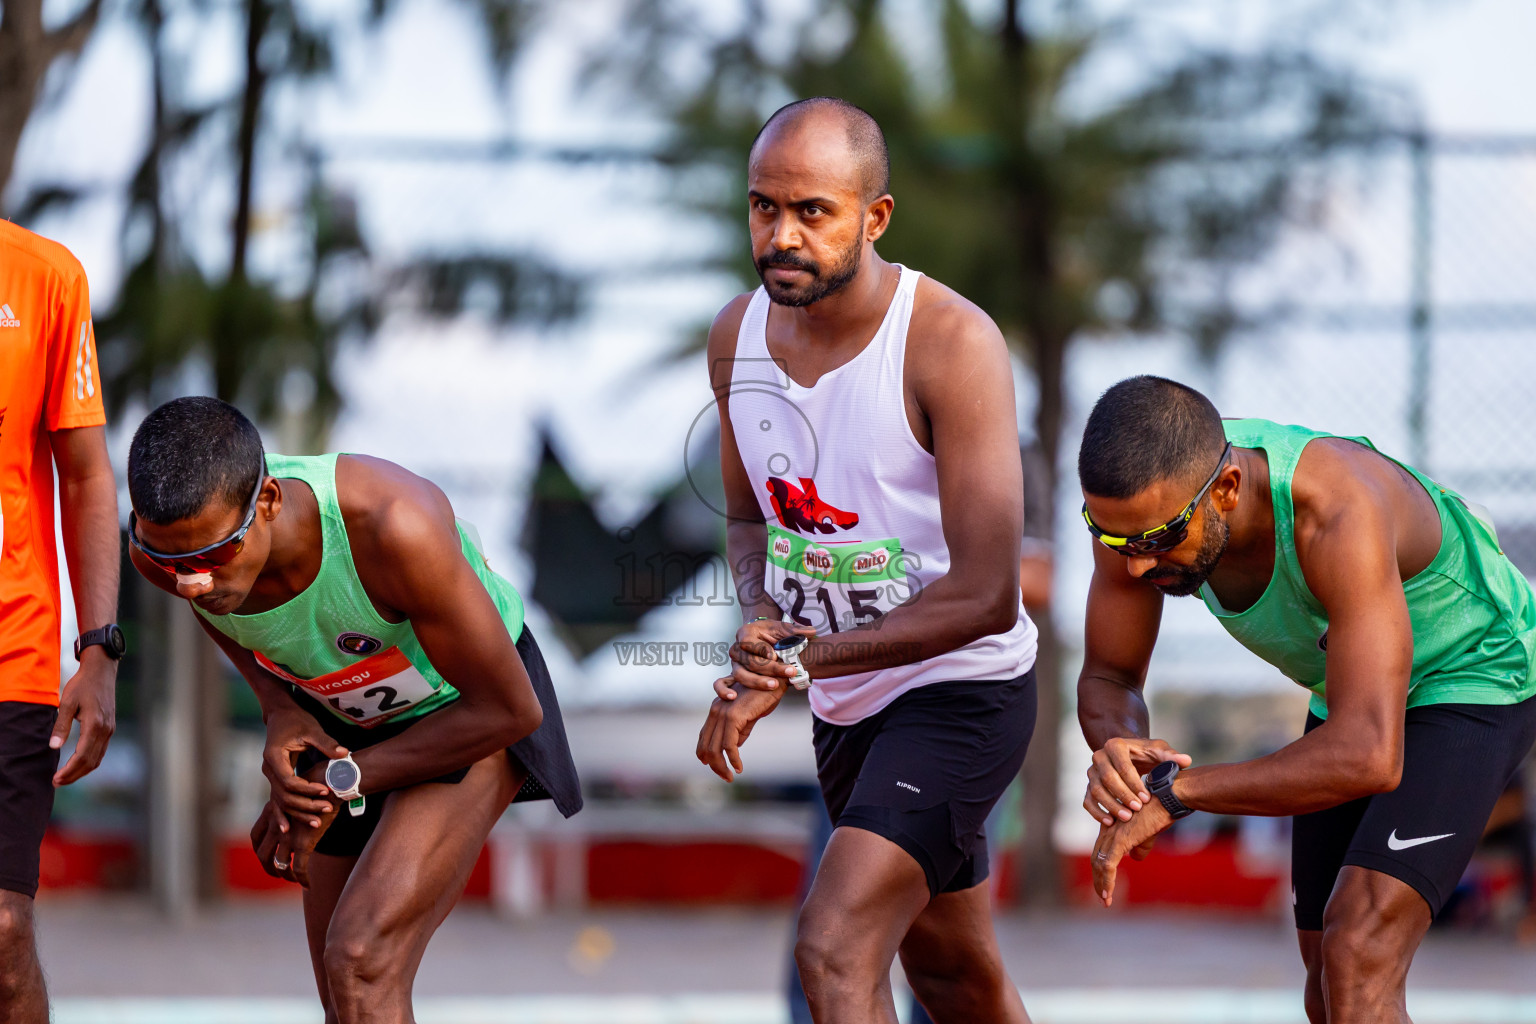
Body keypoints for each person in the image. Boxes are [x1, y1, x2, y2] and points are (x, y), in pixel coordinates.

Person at [696, 97, 1038, 1024]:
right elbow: (748, 517)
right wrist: (762, 628)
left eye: (813, 211)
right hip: (848, 707)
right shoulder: (736, 337)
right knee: (954, 977)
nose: (782, 235)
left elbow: (987, 595)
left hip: (962, 691)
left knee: (834, 945)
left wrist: (801, 661)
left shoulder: (950, 342)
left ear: (875, 217)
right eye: (765, 207)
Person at [1076, 375, 1536, 1024]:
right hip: (1351, 687)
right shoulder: (1141, 513)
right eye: (1113, 539)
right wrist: (1126, 759)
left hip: (1476, 669)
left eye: (1156, 540)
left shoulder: (1336, 508)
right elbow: (1110, 676)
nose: (1135, 567)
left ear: (1227, 489)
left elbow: (1369, 755)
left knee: (1358, 955)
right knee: (1325, 987)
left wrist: (1179, 793)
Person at [125, 397, 580, 1024]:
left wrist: (340, 778)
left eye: (210, 557)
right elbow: (218, 612)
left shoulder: (394, 527)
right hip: (340, 719)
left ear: (267, 502)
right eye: (172, 563)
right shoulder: (160, 549)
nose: (191, 583)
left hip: (465, 710)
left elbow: (511, 710)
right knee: (344, 1001)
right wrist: (277, 708)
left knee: (361, 961)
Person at [0, 221, 123, 1023]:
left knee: (4, 933)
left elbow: (85, 476)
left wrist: (100, 648)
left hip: (12, 657)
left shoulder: (43, 275)